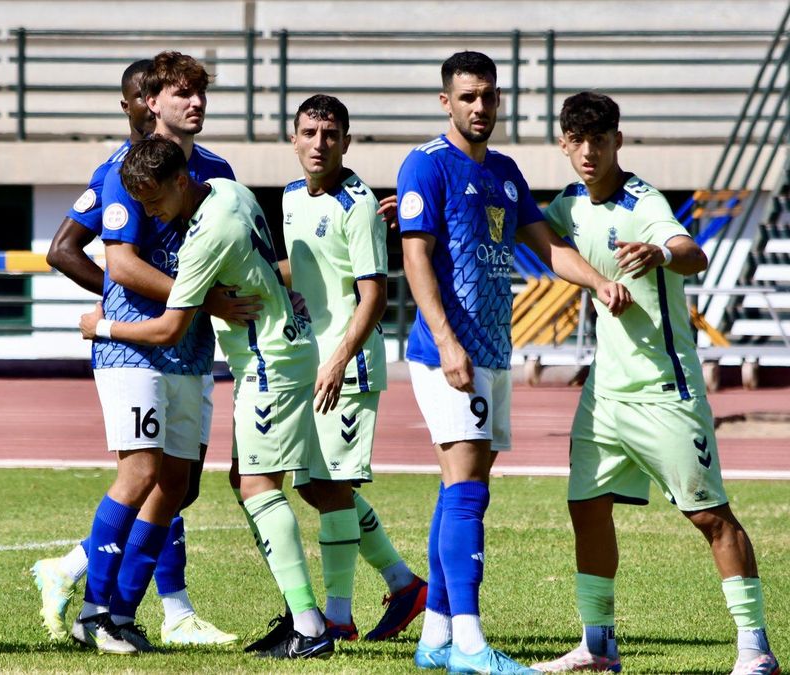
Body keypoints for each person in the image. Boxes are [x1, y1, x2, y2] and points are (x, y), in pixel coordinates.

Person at [397, 52, 631, 675]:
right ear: (445, 101)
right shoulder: (425, 164)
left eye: (489, 97)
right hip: (451, 353)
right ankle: (471, 645)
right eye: (468, 96)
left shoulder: (503, 169)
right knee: (469, 490)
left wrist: (598, 282)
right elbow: (415, 258)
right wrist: (447, 342)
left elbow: (547, 247)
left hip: (495, 352)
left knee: (461, 489)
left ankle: (439, 637)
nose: (480, 107)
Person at [532, 91, 779, 675]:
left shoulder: (644, 202)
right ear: (565, 144)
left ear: (618, 140)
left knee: (710, 515)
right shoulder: (569, 204)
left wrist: (663, 256)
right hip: (604, 396)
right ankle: (598, 644)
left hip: (666, 391)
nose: (589, 152)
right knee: (586, 508)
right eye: (578, 140)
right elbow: (533, 234)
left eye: (600, 139)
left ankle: (756, 649)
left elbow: (693, 254)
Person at [81, 136, 335, 660]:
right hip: (278, 351)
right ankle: (301, 619)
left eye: (153, 202)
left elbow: (170, 329)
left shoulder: (204, 237)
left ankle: (310, 625)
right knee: (242, 482)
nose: (149, 214)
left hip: (268, 361)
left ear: (180, 181)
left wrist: (99, 325)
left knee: (259, 488)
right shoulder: (227, 189)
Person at [33, 57, 238, 647]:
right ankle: (97, 612)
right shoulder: (126, 170)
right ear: (152, 102)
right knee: (141, 472)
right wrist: (133, 303)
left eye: (201, 93)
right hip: (136, 350)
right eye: (182, 93)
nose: (194, 103)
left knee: (176, 485)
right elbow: (116, 262)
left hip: (191, 347)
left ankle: (118, 612)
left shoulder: (219, 172)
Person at [278, 94, 427, 642]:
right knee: (316, 489)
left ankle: (338, 617)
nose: (319, 143)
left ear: (346, 140)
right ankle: (404, 584)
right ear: (292, 138)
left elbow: (373, 293)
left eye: (330, 134)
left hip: (348, 366)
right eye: (310, 132)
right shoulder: (293, 196)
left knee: (333, 485)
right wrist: (257, 274)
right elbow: (307, 265)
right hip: (308, 363)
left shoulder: (358, 204)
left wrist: (338, 357)